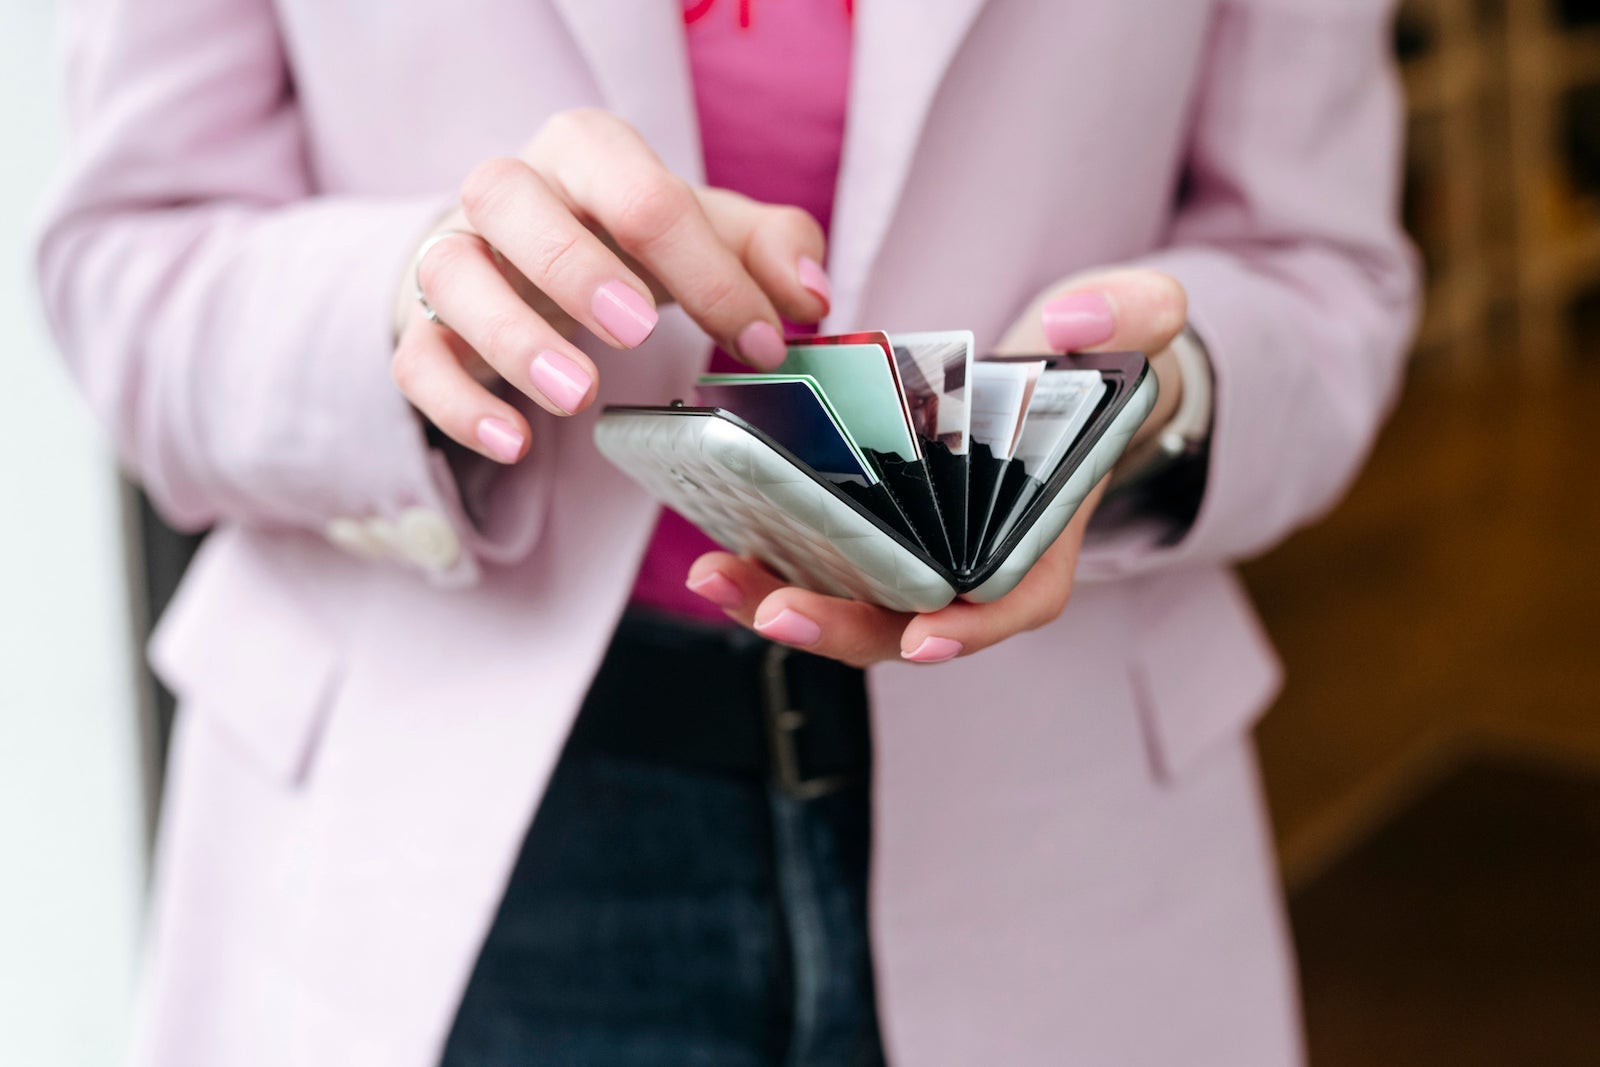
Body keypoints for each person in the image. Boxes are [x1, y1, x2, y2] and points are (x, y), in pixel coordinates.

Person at [37, 0, 1418, 1063]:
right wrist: (423, 302)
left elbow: (1326, 276)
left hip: (1064, 841)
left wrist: (1129, 413)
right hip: (442, 846)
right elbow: (127, 265)